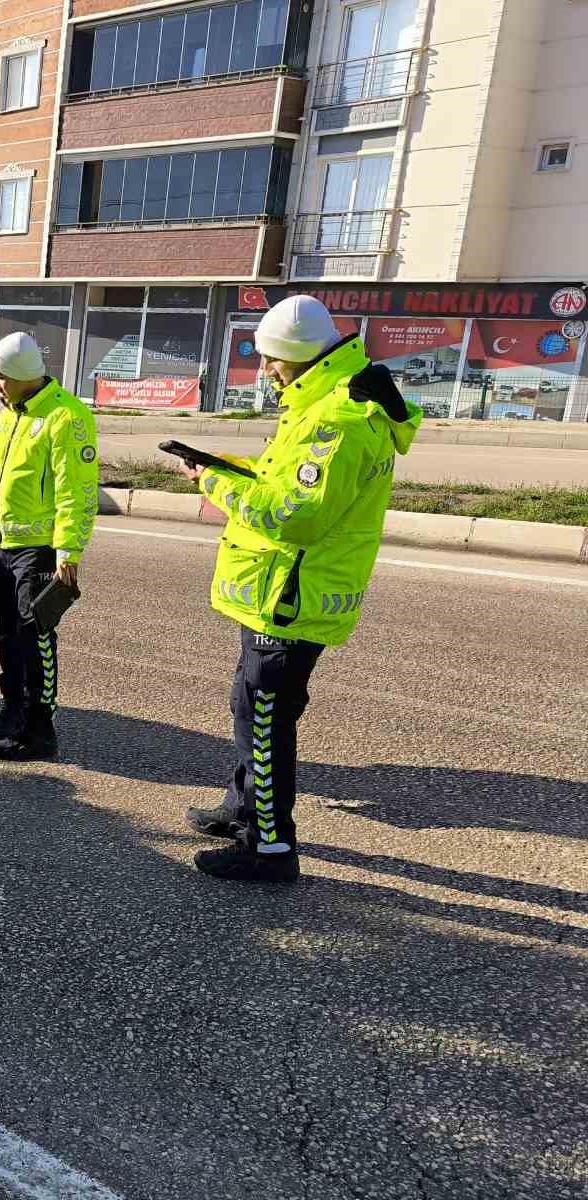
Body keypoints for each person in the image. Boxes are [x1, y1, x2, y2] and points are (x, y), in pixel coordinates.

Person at [181, 295, 421, 884]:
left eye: (271, 361)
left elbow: (297, 516)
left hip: (292, 598)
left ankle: (269, 848)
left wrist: (215, 483)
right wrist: (233, 470)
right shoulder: (318, 404)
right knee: (249, 707)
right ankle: (241, 809)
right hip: (273, 593)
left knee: (264, 722)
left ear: (298, 357)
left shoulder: (337, 422)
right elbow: (283, 483)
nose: (266, 373)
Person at [0, 331, 99, 762]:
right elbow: (1, 477)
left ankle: (39, 725)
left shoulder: (67, 417)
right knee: (8, 630)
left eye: (1, 378)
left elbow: (78, 491)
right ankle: (13, 703)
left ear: (24, 376)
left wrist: (69, 551)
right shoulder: (10, 411)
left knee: (37, 636)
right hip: (2, 542)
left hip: (40, 548)